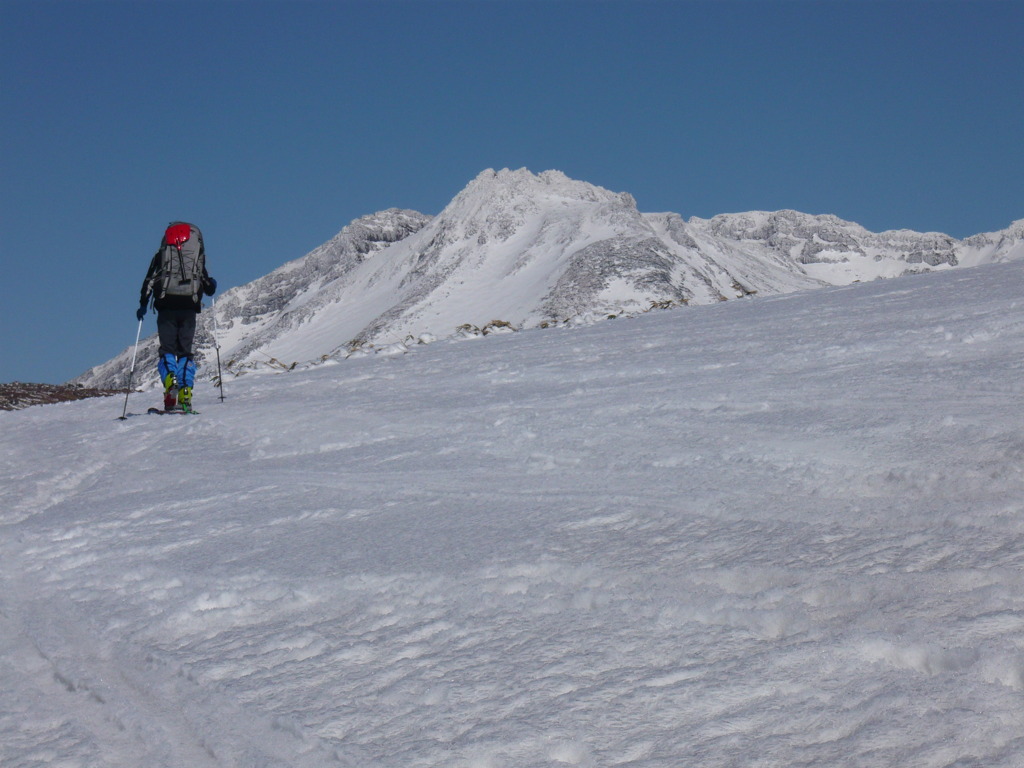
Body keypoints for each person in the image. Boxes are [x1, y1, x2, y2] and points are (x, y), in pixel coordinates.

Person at [137, 221, 217, 412]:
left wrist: (142, 305)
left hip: (166, 307)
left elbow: (149, 280)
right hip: (189, 306)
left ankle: (170, 380)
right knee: (185, 353)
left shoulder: (162, 255)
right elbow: (208, 286)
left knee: (167, 351)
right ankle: (185, 392)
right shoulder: (196, 256)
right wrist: (211, 284)